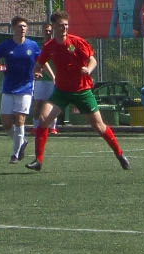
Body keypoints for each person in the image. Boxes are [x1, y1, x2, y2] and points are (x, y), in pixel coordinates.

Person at [31, 10, 130, 170]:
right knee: (43, 120)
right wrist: (37, 71)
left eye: (66, 25)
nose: (64, 28)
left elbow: (93, 60)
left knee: (99, 126)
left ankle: (120, 154)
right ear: (53, 26)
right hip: (61, 92)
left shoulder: (76, 42)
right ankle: (38, 161)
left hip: (82, 91)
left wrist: (88, 69)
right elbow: (39, 64)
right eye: (61, 25)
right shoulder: (49, 47)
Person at [0, 16, 43, 162]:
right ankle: (22, 142)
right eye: (20, 26)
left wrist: (39, 71)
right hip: (8, 87)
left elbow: (41, 61)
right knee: (6, 124)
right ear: (13, 28)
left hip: (26, 87)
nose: (23, 29)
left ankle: (16, 154)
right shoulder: (6, 45)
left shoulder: (32, 45)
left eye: (25, 26)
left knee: (20, 120)